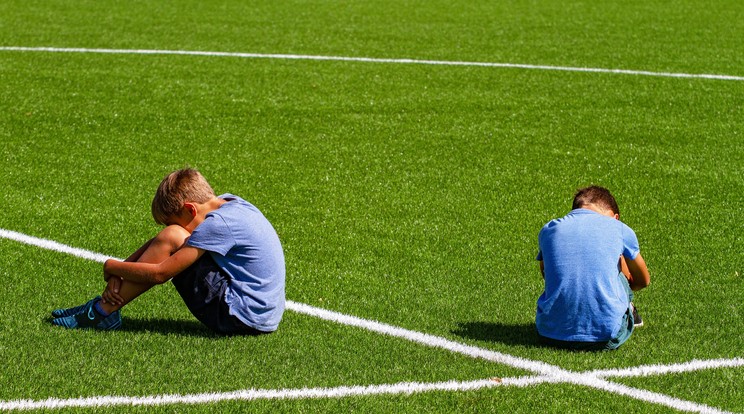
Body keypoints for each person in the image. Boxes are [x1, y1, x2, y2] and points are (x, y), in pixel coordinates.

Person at [51, 168, 285, 335]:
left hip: (239, 317)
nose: (172, 228)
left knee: (173, 237)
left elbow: (160, 274)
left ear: (190, 210)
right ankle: (103, 307)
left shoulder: (218, 225)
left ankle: (101, 312)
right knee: (172, 237)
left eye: (174, 221)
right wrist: (118, 274)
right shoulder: (229, 202)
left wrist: (110, 266)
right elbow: (159, 242)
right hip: (261, 314)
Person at [535, 185, 650, 350]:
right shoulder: (618, 228)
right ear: (614, 216)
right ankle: (629, 310)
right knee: (615, 267)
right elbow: (643, 281)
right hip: (606, 337)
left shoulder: (549, 229)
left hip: (548, 334)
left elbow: (547, 274)